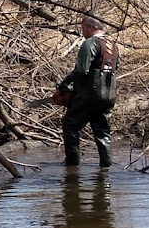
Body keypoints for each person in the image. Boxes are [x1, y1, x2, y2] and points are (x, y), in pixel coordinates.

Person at [30, 16, 119, 166]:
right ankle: (106, 169)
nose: (82, 31)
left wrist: (65, 83)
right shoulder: (112, 44)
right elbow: (114, 68)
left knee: (70, 124)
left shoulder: (90, 43)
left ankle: (72, 165)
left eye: (83, 28)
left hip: (90, 94)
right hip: (109, 94)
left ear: (90, 28)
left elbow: (82, 70)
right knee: (102, 132)